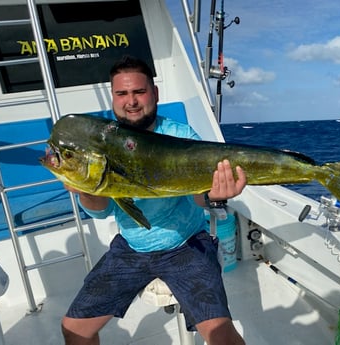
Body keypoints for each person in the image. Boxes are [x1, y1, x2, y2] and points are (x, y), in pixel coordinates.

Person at [61, 55, 247, 345]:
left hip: (185, 245)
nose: (131, 101)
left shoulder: (179, 135)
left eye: (139, 91)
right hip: (131, 247)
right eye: (122, 93)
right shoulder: (101, 143)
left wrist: (213, 196)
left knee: (222, 337)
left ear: (154, 93)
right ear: (113, 97)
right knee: (74, 329)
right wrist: (86, 190)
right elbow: (102, 211)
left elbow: (199, 198)